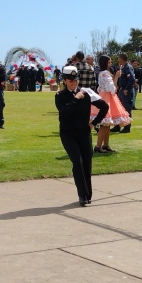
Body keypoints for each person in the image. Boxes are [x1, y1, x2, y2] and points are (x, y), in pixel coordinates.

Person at [55, 66, 109, 206]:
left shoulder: (87, 93)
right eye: (70, 80)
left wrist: (94, 123)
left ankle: (87, 194)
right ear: (65, 81)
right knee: (77, 163)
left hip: (84, 133)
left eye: (76, 80)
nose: (74, 83)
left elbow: (104, 107)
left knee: (87, 164)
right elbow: (65, 112)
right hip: (68, 134)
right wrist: (76, 98)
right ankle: (82, 195)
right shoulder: (60, 96)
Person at [91, 55, 132, 153]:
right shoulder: (105, 73)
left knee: (107, 124)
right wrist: (117, 77)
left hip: (104, 96)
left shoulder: (101, 73)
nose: (110, 64)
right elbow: (112, 89)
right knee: (105, 124)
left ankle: (105, 145)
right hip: (107, 98)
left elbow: (101, 87)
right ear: (105, 63)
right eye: (109, 62)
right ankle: (98, 146)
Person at [110, 53, 135, 133]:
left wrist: (126, 89)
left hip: (126, 91)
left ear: (121, 59)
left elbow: (132, 79)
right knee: (119, 108)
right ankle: (118, 126)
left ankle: (127, 127)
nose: (118, 59)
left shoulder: (128, 67)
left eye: (119, 58)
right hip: (121, 90)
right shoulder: (123, 67)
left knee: (126, 108)